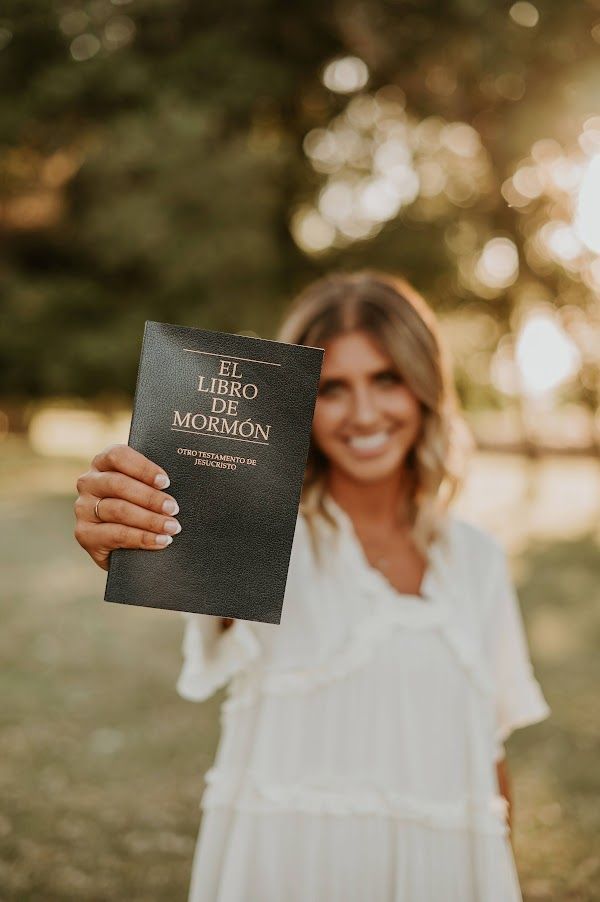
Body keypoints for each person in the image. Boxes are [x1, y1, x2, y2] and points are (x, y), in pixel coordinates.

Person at [74, 270, 551, 901]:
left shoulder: (478, 560)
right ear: (297, 402)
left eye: (387, 379)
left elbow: (487, 760)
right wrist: (120, 532)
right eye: (333, 389)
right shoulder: (262, 539)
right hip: (288, 870)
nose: (364, 413)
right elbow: (171, 556)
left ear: (426, 386)